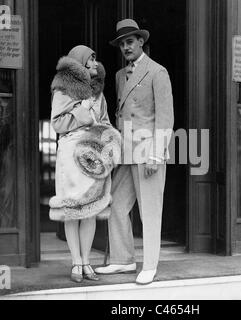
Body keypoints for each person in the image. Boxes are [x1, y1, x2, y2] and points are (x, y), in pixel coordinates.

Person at [95, 19, 174, 285]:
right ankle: (122, 259)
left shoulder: (157, 72)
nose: (126, 47)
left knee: (150, 210)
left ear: (141, 42)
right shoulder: (119, 75)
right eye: (122, 44)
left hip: (149, 151)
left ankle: (149, 265)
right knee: (116, 204)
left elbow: (165, 117)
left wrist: (156, 154)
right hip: (127, 152)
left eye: (130, 41)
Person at [49, 45, 120, 283]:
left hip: (92, 155)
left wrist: (110, 142)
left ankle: (87, 261)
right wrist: (82, 110)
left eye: (94, 60)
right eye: (90, 60)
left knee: (89, 211)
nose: (93, 64)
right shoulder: (62, 89)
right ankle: (76, 262)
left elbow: (107, 121)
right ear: (79, 63)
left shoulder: (98, 91)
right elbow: (58, 124)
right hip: (70, 155)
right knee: (72, 211)